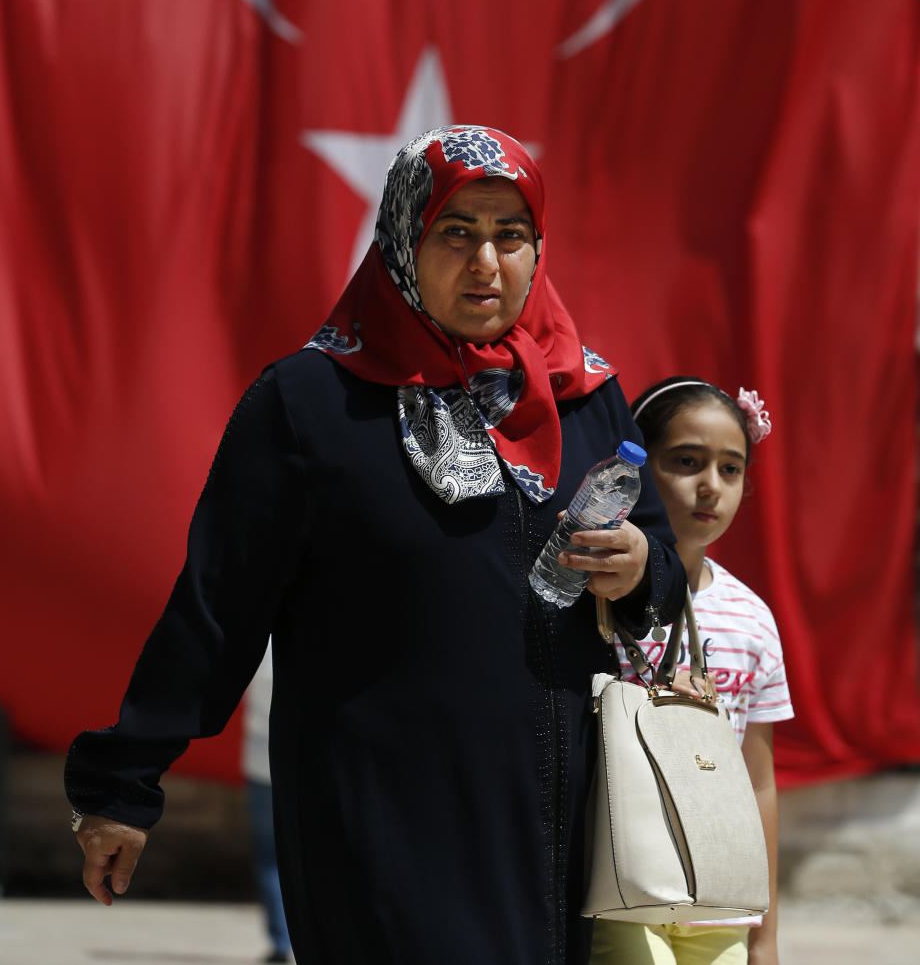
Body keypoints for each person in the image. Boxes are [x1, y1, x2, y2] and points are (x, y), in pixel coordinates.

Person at [65, 125, 685, 965]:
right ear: (403, 239)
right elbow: (218, 609)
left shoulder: (585, 396)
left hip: (553, 826)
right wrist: (122, 785)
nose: (486, 262)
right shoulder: (313, 404)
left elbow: (659, 570)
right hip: (381, 822)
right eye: (456, 232)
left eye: (511, 236)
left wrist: (644, 567)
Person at [590, 377, 793, 965]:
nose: (711, 486)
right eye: (686, 461)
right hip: (618, 885)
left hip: (719, 900)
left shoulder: (752, 620)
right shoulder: (592, 596)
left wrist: (765, 932)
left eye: (731, 469)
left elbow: (759, 782)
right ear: (638, 464)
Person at [244, 642, 292, 963]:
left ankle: (280, 940)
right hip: (298, 761)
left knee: (269, 857)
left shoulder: (260, 646)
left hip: (261, 761)